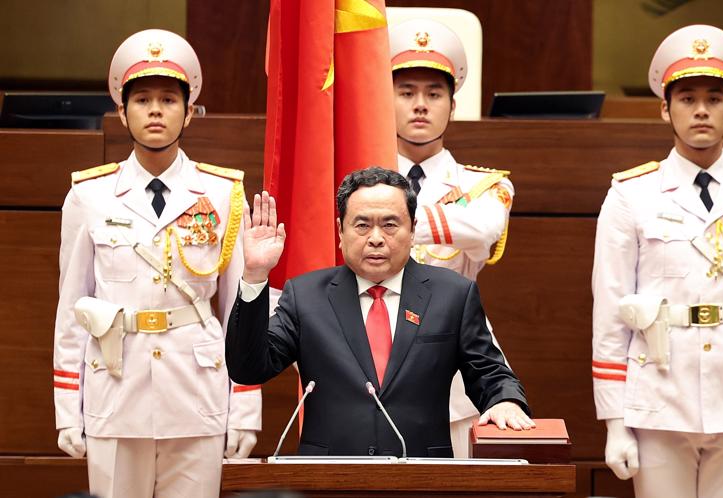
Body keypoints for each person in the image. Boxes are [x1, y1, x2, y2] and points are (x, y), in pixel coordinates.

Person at [592, 25, 723, 498]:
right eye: (686, 98)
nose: (701, 110)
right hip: (660, 392)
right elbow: (610, 313)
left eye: (713, 97)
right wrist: (615, 421)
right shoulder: (631, 195)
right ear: (665, 109)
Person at [53, 29, 261, 498]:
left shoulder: (223, 194)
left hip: (197, 394)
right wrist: (68, 405)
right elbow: (72, 310)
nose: (154, 110)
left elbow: (238, 314)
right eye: (142, 99)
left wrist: (245, 406)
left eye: (168, 99)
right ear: (121, 111)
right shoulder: (89, 196)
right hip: (115, 390)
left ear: (189, 111)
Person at [226, 167, 532, 457]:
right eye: (362, 225)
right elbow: (248, 368)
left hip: (422, 474)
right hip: (329, 477)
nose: (375, 238)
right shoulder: (305, 296)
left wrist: (505, 400)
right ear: (340, 231)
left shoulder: (452, 295)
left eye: (389, 224)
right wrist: (254, 275)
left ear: (412, 230)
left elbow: (489, 372)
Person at [389, 18, 516, 458]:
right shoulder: (353, 175)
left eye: (434, 94)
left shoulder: (485, 186)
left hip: (455, 371)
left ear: (453, 105)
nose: (420, 105)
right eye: (406, 93)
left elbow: (481, 231)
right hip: (370, 358)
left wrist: (376, 216)